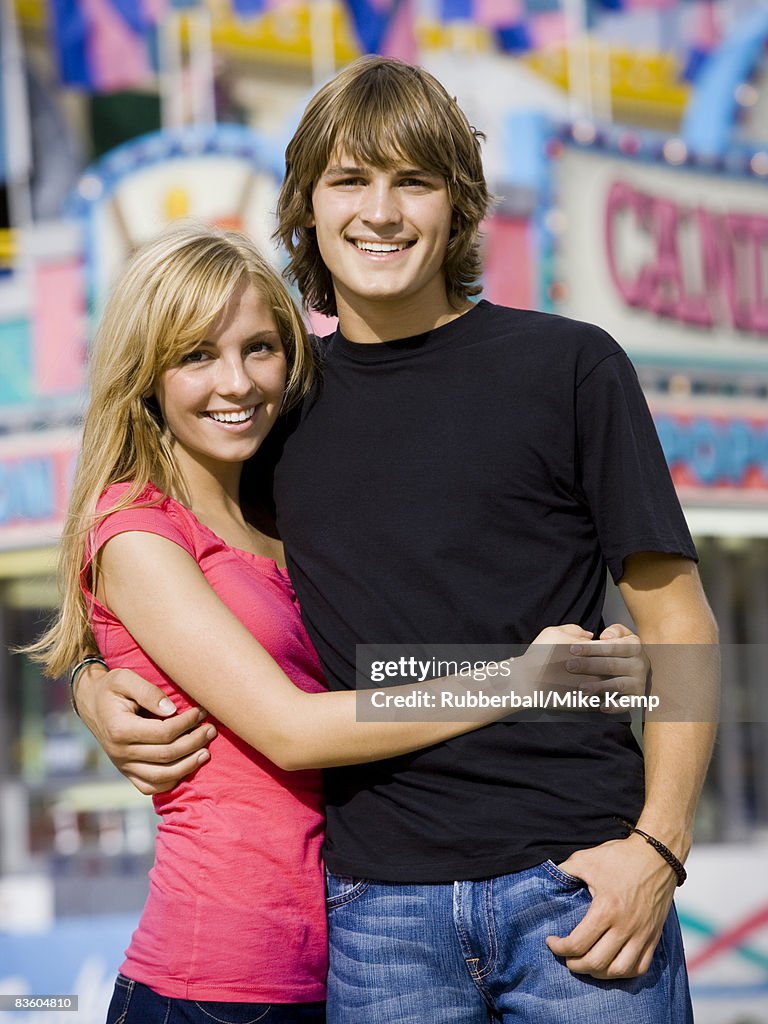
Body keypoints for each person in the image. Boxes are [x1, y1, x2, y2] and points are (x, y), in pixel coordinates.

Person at [74, 58, 718, 1024]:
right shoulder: (274, 414)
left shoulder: (570, 366)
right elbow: (175, 572)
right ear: (307, 205)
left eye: (413, 180)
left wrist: (658, 851)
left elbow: (683, 634)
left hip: (580, 887)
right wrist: (89, 683)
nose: (382, 211)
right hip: (376, 919)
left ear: (457, 206)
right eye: (350, 179)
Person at [28, 224, 640, 1024]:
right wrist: (525, 679)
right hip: (213, 982)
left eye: (260, 348)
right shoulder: (139, 531)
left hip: (341, 960)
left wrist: (90, 679)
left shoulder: (275, 505)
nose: (237, 382)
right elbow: (288, 730)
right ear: (145, 376)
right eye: (195, 356)